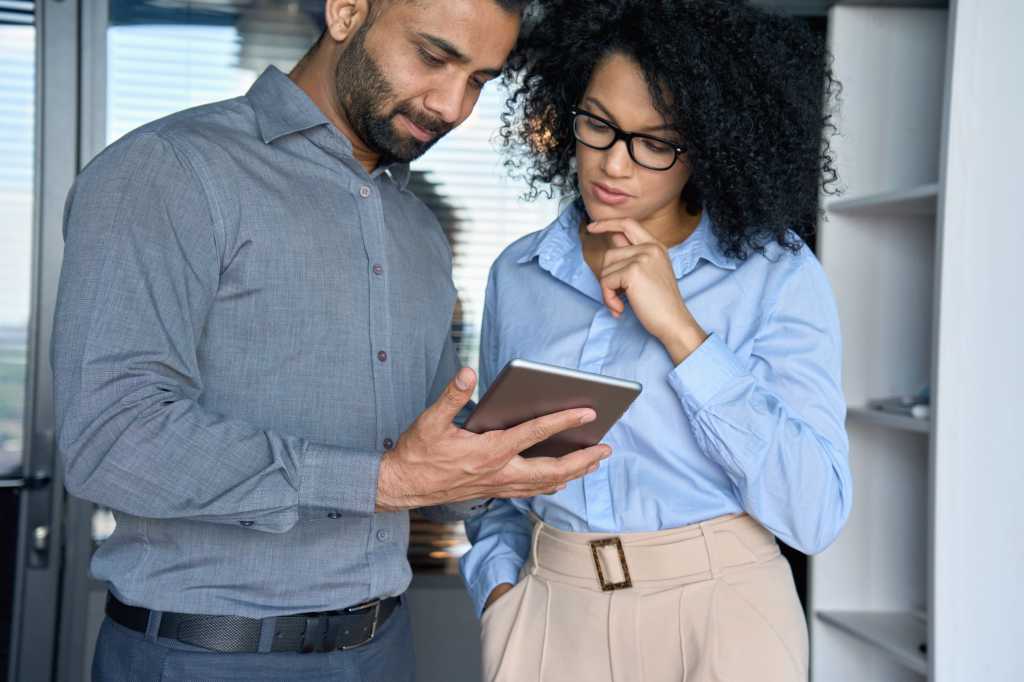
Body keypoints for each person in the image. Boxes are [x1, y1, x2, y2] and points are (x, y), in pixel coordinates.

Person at [52, 1, 611, 679]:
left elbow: (427, 459)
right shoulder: (170, 171)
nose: (452, 105)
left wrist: (513, 447)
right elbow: (110, 440)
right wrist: (381, 481)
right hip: (207, 657)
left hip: (384, 650)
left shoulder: (418, 230)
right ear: (346, 10)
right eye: (434, 58)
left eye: (480, 81)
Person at [460, 1, 852, 680]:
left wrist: (682, 333)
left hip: (722, 617)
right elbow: (497, 474)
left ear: (707, 145)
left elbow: (815, 514)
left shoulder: (776, 275)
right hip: (551, 612)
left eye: (657, 141)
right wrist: (500, 592)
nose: (615, 164)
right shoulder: (518, 275)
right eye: (599, 125)